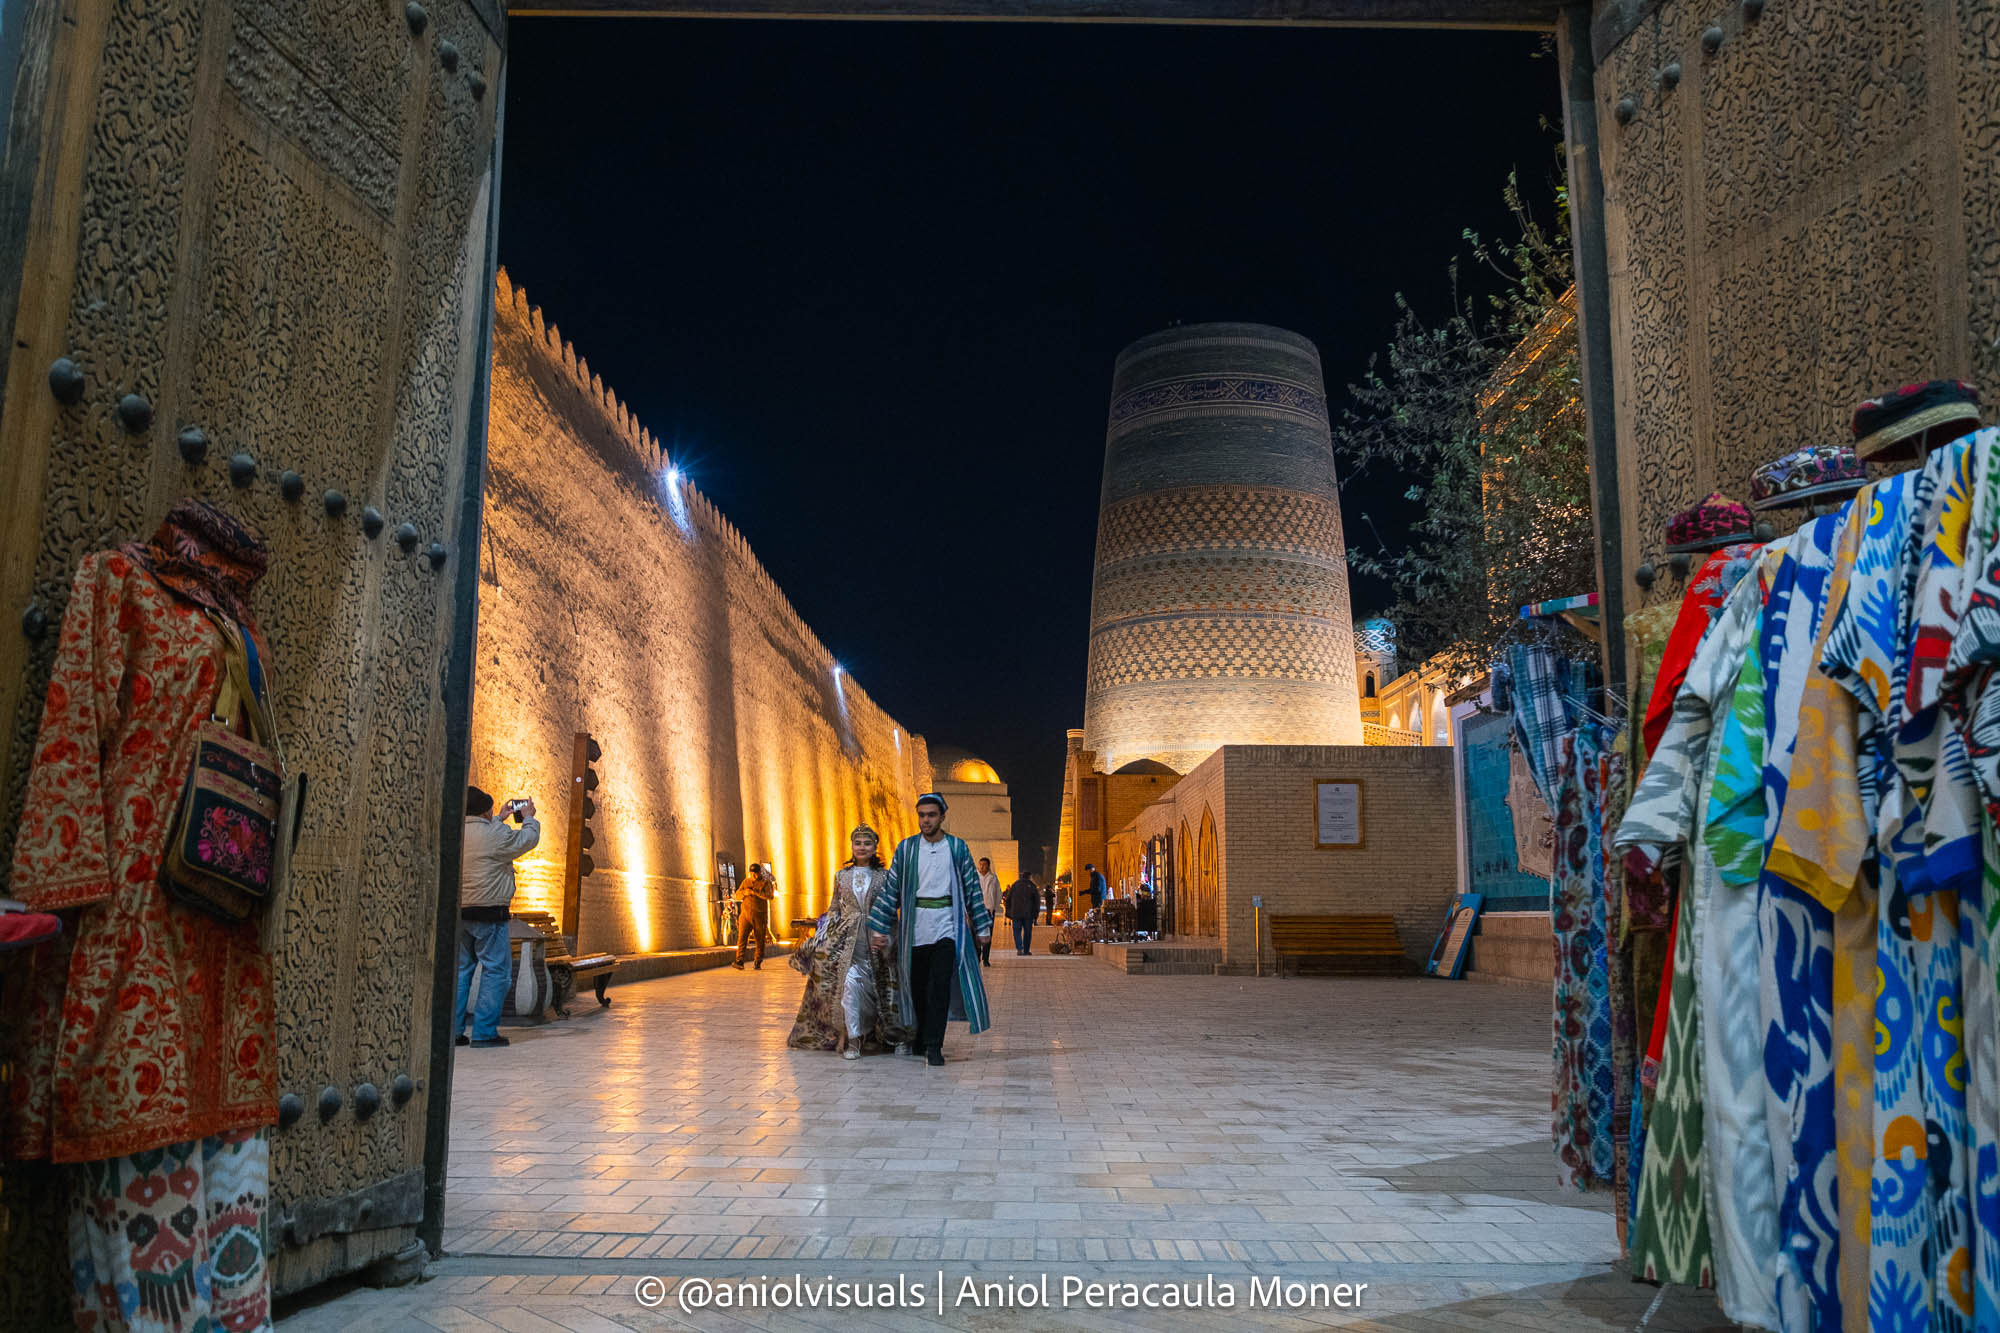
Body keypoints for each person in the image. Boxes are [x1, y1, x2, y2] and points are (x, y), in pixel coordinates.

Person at [868, 793, 992, 1066]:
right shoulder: (907, 848)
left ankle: (935, 1045)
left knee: (939, 987)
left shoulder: (957, 848)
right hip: (915, 927)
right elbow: (892, 890)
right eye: (922, 815)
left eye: (931, 815)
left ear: (942, 817)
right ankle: (921, 1038)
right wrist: (879, 927)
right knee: (918, 986)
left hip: (948, 925)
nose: (926, 820)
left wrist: (982, 926)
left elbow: (972, 888)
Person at [787, 825, 909, 1057]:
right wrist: (821, 937)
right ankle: (854, 1040)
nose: (862, 847)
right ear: (852, 847)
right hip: (848, 942)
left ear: (875, 847)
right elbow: (834, 909)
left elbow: (892, 908)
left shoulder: (885, 877)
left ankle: (894, 1037)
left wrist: (890, 937)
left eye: (867, 843)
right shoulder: (841, 876)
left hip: (878, 939)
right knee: (850, 987)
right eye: (858, 843)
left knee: (886, 990)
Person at [457, 786, 541, 1049]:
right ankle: (483, 1032)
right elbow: (525, 840)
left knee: (460, 973)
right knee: (496, 972)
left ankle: (453, 1032)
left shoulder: (457, 830)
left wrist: (498, 819)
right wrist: (528, 818)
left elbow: (483, 836)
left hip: (460, 913)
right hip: (489, 912)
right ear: (484, 810)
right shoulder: (495, 833)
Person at [733, 863, 775, 969]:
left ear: (760, 873)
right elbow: (737, 894)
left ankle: (757, 960)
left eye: (756, 874)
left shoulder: (766, 883)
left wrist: (756, 893)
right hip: (745, 915)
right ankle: (739, 960)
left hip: (759, 915)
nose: (754, 876)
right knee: (742, 938)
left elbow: (770, 896)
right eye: (752, 874)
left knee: (759, 939)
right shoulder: (746, 882)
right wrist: (744, 893)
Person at [1004, 872, 1039, 956]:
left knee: (1016, 931)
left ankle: (1019, 948)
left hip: (1016, 913)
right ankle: (1026, 950)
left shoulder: (1015, 885)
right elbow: (1036, 901)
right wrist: (1036, 913)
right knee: (1028, 932)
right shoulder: (1032, 886)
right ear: (1029, 877)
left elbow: (1008, 899)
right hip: (1028, 913)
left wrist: (1008, 911)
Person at [976, 856, 1002, 965]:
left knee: (987, 935)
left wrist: (994, 906)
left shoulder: (993, 878)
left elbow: (998, 894)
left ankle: (986, 959)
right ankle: (977, 957)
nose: (982, 866)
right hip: (976, 910)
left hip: (989, 911)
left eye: (984, 864)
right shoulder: (974, 877)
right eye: (980, 864)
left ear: (988, 866)